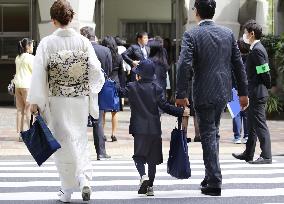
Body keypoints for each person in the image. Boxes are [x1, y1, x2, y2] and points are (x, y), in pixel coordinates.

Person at [28, 0, 105, 202]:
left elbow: (38, 75)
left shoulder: (47, 43)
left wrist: (36, 100)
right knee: (79, 138)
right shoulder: (83, 42)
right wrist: (87, 90)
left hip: (57, 100)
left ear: (53, 21)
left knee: (62, 143)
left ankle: (67, 190)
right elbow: (96, 71)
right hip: (78, 99)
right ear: (71, 19)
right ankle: (84, 178)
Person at [175, 0, 249, 196]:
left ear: (197, 11)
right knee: (213, 133)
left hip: (203, 91)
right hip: (223, 92)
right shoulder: (227, 34)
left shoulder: (192, 34)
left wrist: (180, 94)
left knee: (208, 134)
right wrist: (243, 93)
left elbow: (184, 65)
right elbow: (238, 65)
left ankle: (214, 181)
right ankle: (210, 175)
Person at [120, 59, 189, 196]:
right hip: (154, 129)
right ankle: (150, 187)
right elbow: (165, 106)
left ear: (139, 75)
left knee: (139, 156)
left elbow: (120, 92)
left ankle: (143, 176)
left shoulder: (132, 87)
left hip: (139, 129)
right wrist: (180, 112)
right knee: (152, 159)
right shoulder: (157, 88)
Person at [232, 20, 272, 164]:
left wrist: (266, 86)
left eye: (245, 32)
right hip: (254, 92)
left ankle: (266, 155)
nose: (244, 35)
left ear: (252, 34)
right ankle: (248, 153)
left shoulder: (257, 50)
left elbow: (264, 72)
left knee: (259, 124)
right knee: (252, 125)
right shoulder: (256, 49)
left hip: (257, 93)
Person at [80, 26, 111, 160]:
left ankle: (80, 152)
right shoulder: (105, 50)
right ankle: (101, 152)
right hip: (100, 89)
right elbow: (108, 70)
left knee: (79, 121)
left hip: (82, 90)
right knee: (98, 121)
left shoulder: (82, 50)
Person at [101, 36, 126, 142]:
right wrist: (123, 87)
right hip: (115, 85)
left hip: (103, 84)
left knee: (102, 111)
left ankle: (101, 133)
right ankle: (113, 134)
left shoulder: (103, 56)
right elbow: (122, 73)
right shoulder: (119, 57)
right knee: (114, 111)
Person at [14, 38, 34, 142]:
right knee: (28, 110)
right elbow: (35, 72)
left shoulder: (18, 57)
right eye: (31, 45)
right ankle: (30, 133)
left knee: (19, 110)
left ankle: (20, 134)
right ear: (27, 46)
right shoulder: (30, 58)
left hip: (17, 85)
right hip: (27, 85)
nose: (33, 47)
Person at [232, 38, 250, 144]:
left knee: (236, 113)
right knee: (246, 113)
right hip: (247, 89)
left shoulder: (234, 59)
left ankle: (237, 136)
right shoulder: (251, 58)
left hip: (234, 88)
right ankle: (247, 135)